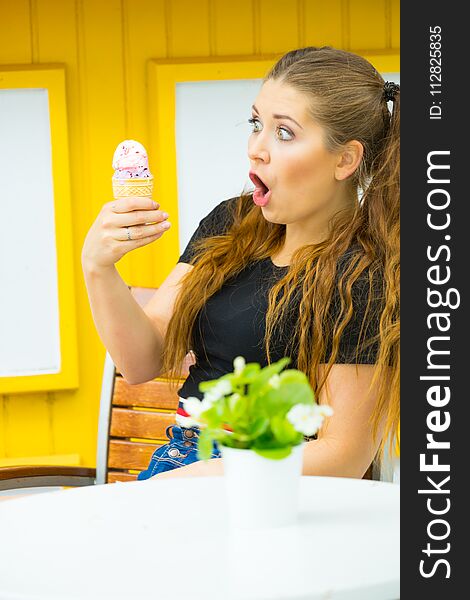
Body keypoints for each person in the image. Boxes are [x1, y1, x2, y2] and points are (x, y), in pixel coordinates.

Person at [82, 46, 400, 481]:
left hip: (279, 490)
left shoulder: (363, 275)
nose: (256, 149)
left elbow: (342, 457)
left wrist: (205, 477)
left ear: (345, 159)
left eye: (284, 133)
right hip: (182, 460)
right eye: (256, 125)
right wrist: (99, 268)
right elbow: (142, 361)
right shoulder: (232, 224)